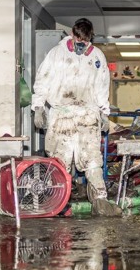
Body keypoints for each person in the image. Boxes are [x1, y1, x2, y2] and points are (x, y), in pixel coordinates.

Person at [31, 18, 120, 216]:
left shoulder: (97, 57)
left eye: (85, 41)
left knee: (92, 159)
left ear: (90, 39)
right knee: (60, 160)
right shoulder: (56, 54)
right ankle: (57, 202)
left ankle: (100, 200)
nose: (81, 44)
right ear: (72, 34)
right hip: (62, 115)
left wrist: (104, 112)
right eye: (78, 39)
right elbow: (42, 80)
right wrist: (38, 106)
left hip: (88, 115)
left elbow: (101, 86)